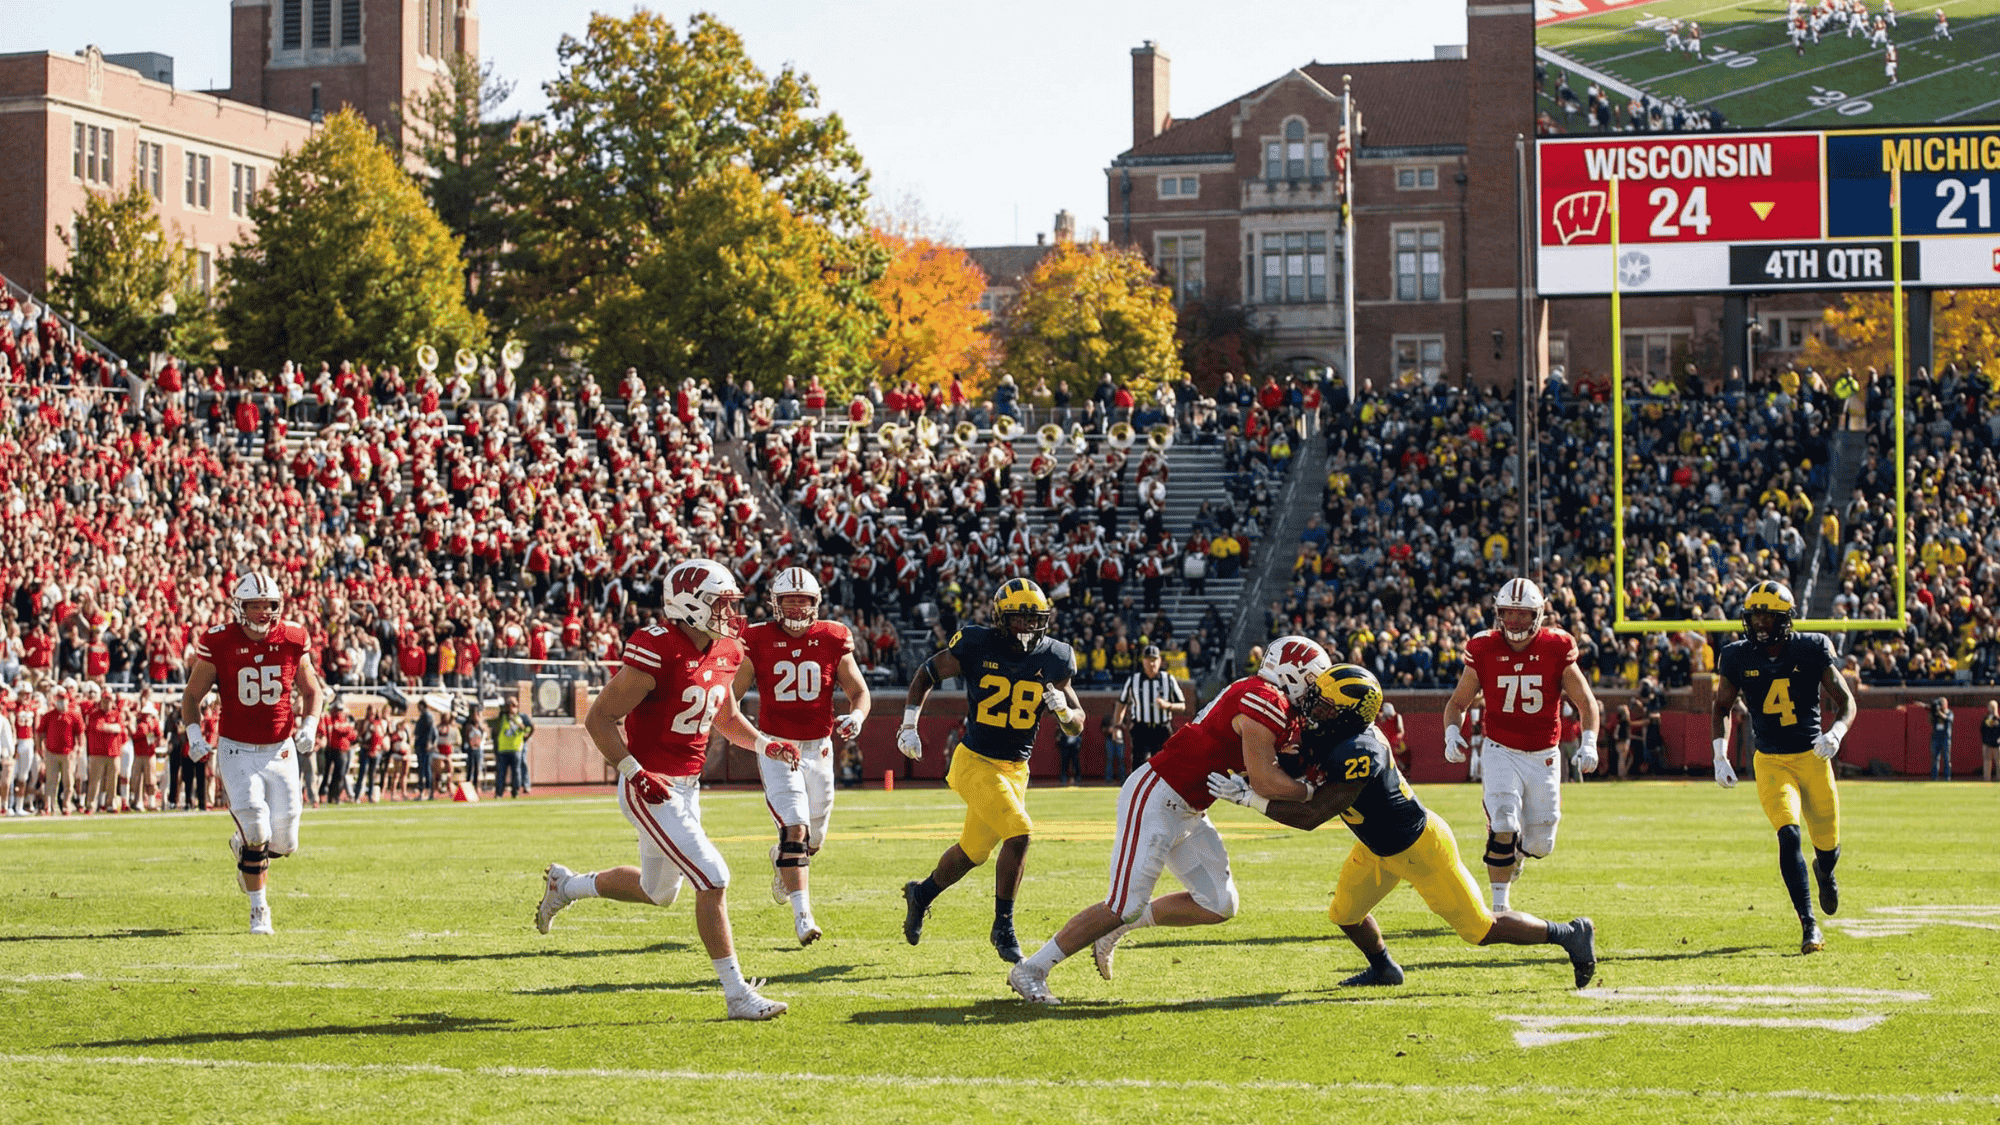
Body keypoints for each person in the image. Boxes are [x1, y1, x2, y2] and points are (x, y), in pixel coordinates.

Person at [1207, 665, 1598, 990]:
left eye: (1325, 706)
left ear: (1348, 715)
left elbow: (1313, 815)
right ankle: (1384, 968)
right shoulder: (1332, 732)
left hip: (1420, 850)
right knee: (1345, 913)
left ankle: (1569, 934)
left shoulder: (1360, 751)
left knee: (1479, 929)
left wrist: (1251, 798)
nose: (1313, 709)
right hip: (1376, 846)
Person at [533, 559, 800, 1021]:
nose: (729, 613)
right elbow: (599, 719)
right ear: (690, 604)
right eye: (720, 603)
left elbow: (726, 717)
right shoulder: (658, 648)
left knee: (658, 893)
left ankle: (567, 884)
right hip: (648, 784)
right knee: (714, 877)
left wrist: (764, 743)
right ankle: (737, 993)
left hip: (687, 786)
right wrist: (634, 771)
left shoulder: (728, 651)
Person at [1005, 637, 1329, 1004]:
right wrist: (1308, 790)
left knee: (1219, 903)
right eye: (1313, 681)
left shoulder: (1273, 702)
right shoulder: (1264, 698)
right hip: (1158, 795)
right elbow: (1265, 781)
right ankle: (1031, 970)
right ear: (1292, 673)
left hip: (1190, 809)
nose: (1314, 692)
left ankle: (1115, 931)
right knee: (1123, 903)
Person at [898, 578, 1082, 964]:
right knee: (1020, 832)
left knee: (971, 853)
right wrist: (908, 724)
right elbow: (926, 674)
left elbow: (1077, 722)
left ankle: (921, 895)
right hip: (975, 761)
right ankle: (1004, 926)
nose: (1028, 628)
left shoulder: (1055, 657)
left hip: (1016, 769)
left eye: (1036, 620)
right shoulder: (976, 642)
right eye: (1019, 619)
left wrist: (1065, 713)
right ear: (1000, 618)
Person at [1711, 580, 1858, 955]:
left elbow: (1846, 702)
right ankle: (1809, 925)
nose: (1759, 623)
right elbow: (1721, 707)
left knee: (1828, 847)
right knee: (1788, 834)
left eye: (1767, 615)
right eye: (1754, 615)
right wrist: (1719, 753)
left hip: (1813, 759)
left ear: (1785, 619)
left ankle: (1824, 872)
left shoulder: (1810, 647)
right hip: (1772, 761)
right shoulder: (1736, 655)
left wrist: (1837, 732)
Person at [1441, 578, 1601, 914]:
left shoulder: (1557, 645)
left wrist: (1589, 742)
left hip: (1544, 752)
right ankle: (1499, 910)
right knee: (1503, 823)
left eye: (1522, 614)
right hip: (1500, 749)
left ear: (1538, 614)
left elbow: (1586, 702)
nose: (1513, 621)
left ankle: (1517, 855)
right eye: (1507, 613)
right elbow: (1457, 703)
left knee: (1541, 844)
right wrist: (1452, 734)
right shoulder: (1483, 646)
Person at [180, 572, 328, 934]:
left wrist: (309, 725)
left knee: (284, 843)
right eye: (256, 605)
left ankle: (242, 845)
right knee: (257, 829)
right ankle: (259, 909)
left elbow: (314, 691)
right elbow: (191, 696)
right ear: (239, 607)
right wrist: (194, 733)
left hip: (280, 750)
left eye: (270, 605)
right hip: (237, 749)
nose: (264, 612)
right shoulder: (220, 641)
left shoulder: (293, 638)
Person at [733, 567, 871, 946]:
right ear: (775, 604)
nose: (796, 609)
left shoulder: (832, 636)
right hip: (779, 749)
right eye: (789, 601)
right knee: (795, 826)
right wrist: (751, 737)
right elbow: (732, 696)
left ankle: (783, 857)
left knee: (813, 839)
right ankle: (803, 915)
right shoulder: (756, 639)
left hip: (820, 749)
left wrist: (857, 717)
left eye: (803, 601)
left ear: (816, 603)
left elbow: (859, 691)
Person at [1112, 644, 1186, 771]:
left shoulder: (1168, 679)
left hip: (1162, 728)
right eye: (1148, 659)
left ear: (1160, 661)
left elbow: (1182, 706)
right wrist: (1117, 726)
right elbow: (1121, 703)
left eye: (1154, 660)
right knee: (1138, 767)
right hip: (1141, 729)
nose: (1152, 663)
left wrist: (1168, 705)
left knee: (1165, 767)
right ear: (1143, 661)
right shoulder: (1133, 680)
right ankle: (1138, 791)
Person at [493, 696, 534, 798]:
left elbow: (531, 727)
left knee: (516, 772)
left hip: (516, 748)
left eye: (514, 705)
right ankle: (499, 793)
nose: (512, 708)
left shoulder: (521, 718)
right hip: (503, 749)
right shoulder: (502, 717)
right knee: (501, 772)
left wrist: (525, 737)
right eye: (510, 705)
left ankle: (515, 792)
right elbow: (495, 729)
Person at [1928, 696, 1953, 781]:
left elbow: (1948, 719)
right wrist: (1934, 711)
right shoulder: (1935, 713)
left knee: (1946, 758)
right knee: (1935, 758)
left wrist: (1940, 713)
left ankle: (1947, 777)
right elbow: (1930, 720)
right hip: (1936, 737)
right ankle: (1934, 777)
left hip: (1945, 738)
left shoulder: (1949, 712)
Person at [1981, 700, 2000, 783]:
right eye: (1990, 707)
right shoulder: (1987, 718)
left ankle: (1999, 779)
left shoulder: (1999, 719)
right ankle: (1987, 780)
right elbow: (1983, 729)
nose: (1991, 709)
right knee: (1987, 763)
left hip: (1997, 744)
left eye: (1993, 707)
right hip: (1987, 744)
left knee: (1999, 763)